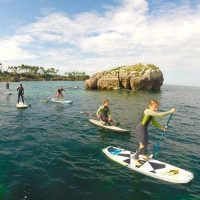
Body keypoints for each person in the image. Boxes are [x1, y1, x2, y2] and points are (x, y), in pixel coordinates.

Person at [134, 99, 176, 167]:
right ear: (150, 106)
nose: (156, 109)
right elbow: (160, 115)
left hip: (144, 129)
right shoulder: (147, 111)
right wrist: (170, 111)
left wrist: (162, 127)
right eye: (154, 107)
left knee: (146, 142)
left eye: (157, 107)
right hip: (140, 128)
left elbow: (154, 122)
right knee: (142, 145)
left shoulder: (151, 113)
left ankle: (143, 155)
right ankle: (135, 159)